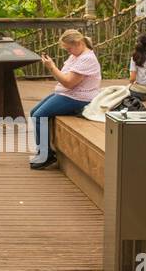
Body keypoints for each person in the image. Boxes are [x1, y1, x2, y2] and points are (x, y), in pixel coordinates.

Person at [29, 30, 102, 170]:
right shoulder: (76, 55)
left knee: (39, 116)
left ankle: (46, 156)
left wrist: (52, 67)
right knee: (34, 112)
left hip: (79, 97)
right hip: (67, 94)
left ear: (79, 43)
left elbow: (68, 82)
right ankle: (43, 150)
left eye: (69, 48)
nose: (69, 51)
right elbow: (65, 79)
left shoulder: (87, 59)